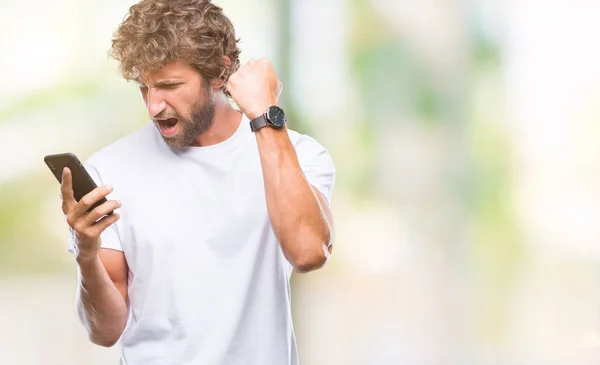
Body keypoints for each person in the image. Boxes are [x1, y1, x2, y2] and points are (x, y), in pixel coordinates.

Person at [58, 0, 335, 364]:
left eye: (170, 85)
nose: (154, 106)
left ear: (220, 73)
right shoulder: (110, 171)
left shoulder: (296, 154)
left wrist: (265, 118)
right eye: (144, 87)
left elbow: (308, 252)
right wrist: (87, 255)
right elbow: (105, 331)